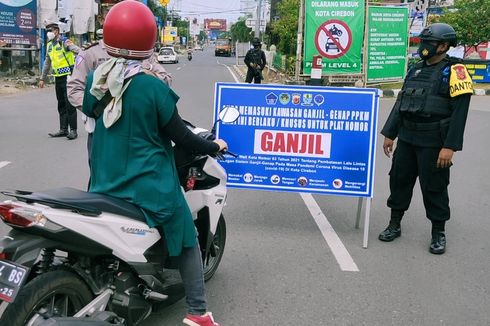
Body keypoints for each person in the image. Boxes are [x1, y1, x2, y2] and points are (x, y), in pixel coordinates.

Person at [81, 2, 225, 325]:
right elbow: (182, 137)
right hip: (149, 188)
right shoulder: (152, 87)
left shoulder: (99, 80)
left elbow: (90, 110)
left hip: (104, 182)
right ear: (149, 40)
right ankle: (198, 312)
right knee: (187, 236)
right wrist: (213, 145)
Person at [378, 23, 473, 254]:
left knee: (434, 187)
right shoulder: (415, 70)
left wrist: (450, 146)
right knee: (399, 180)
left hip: (434, 142)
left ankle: (438, 232)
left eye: (428, 43)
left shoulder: (455, 71)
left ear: (443, 46)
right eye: (423, 43)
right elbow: (402, 103)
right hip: (408, 138)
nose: (424, 47)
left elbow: (460, 112)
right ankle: (394, 224)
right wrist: (390, 134)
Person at [67, 26, 172, 166]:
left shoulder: (143, 53)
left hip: (139, 129)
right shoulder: (91, 53)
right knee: (101, 176)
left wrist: (147, 71)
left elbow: (165, 81)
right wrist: (97, 110)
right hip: (103, 129)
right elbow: (74, 89)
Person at [39, 22, 80, 139]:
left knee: (69, 104)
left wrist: (80, 67)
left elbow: (79, 51)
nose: (48, 33)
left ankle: (73, 130)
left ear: (56, 31)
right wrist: (42, 78)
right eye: (47, 31)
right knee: (61, 104)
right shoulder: (50, 45)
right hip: (58, 78)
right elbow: (47, 63)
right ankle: (63, 129)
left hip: (68, 77)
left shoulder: (65, 42)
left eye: (50, 31)